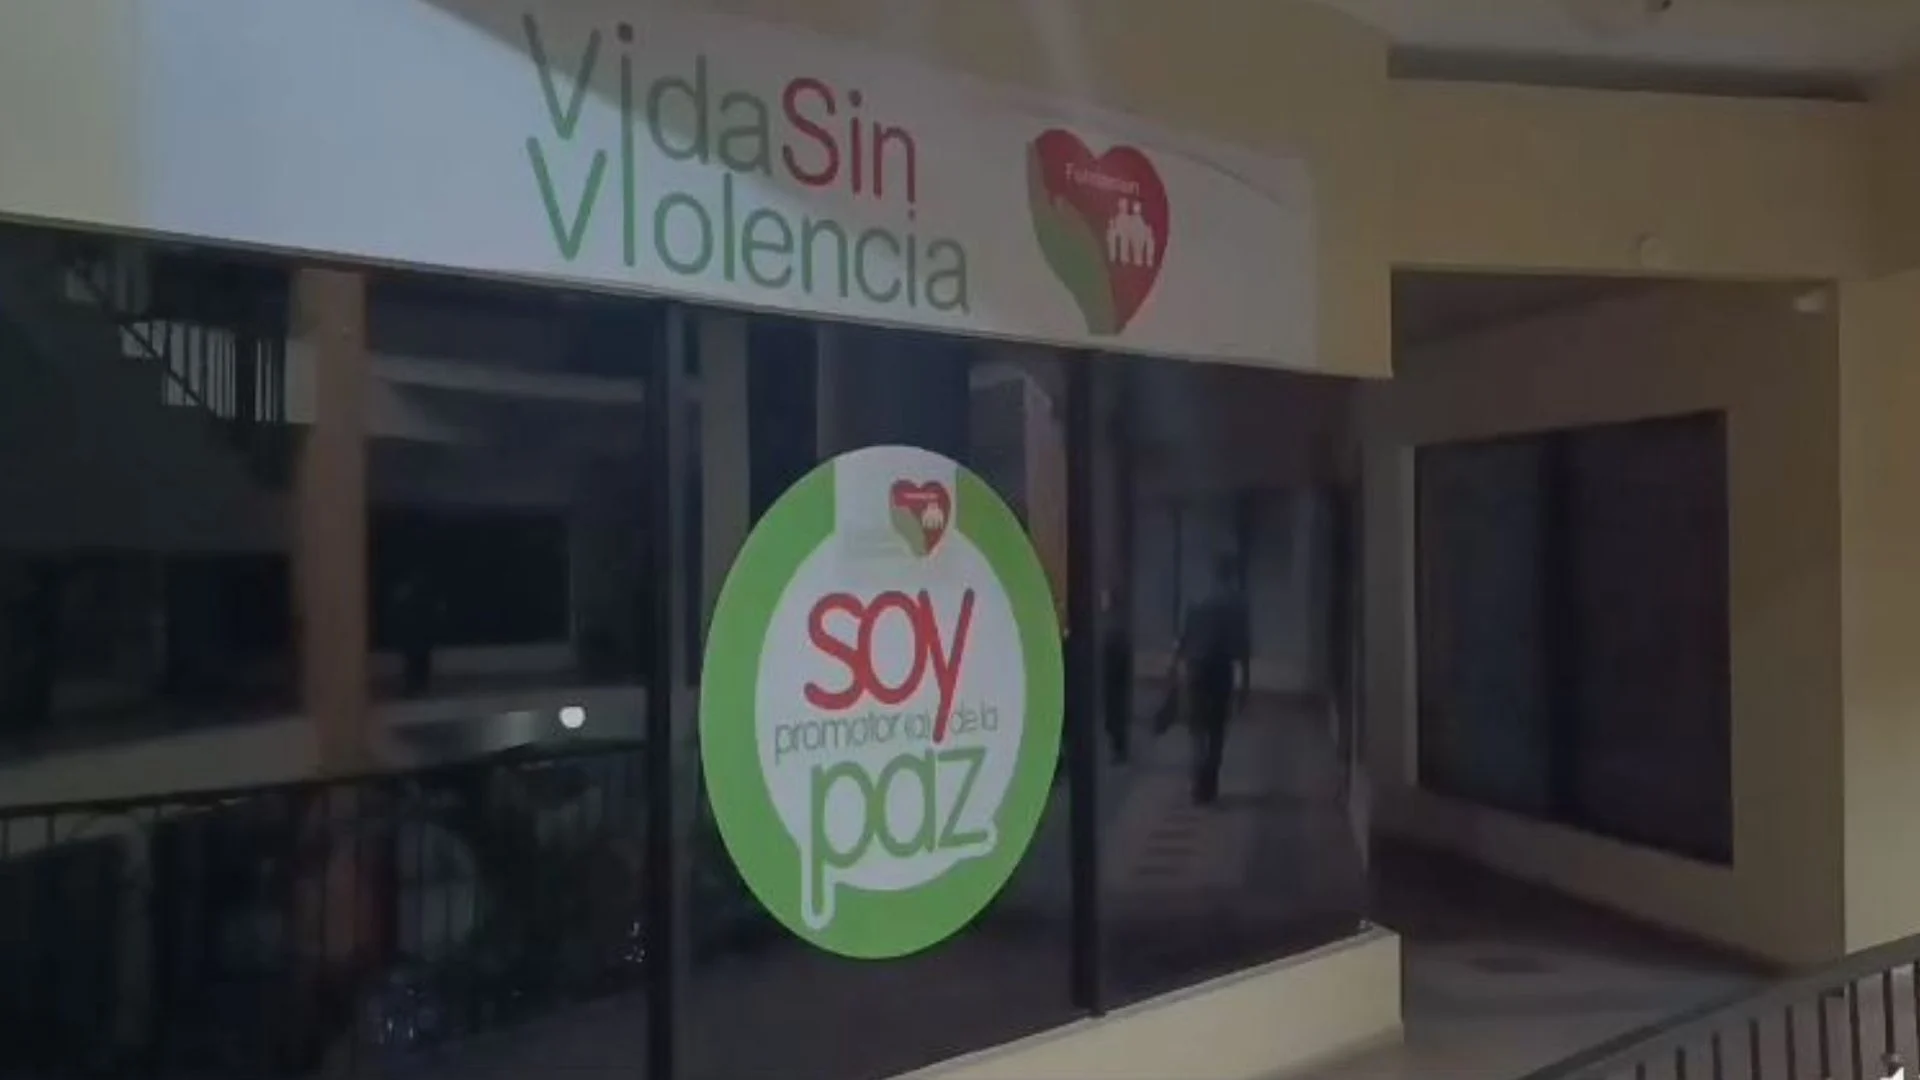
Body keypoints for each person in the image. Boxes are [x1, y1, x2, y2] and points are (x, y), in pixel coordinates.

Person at [1174, 555, 1250, 805]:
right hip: (1221, 670)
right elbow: (1243, 647)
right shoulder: (1237, 604)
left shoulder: (1198, 600)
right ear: (1231, 574)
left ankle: (1198, 780)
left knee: (1197, 729)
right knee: (1217, 729)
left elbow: (1184, 639)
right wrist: (1245, 685)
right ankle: (1210, 782)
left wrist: (1175, 668)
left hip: (1197, 669)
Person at [1100, 589, 1134, 764]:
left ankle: (1119, 749)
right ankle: (1119, 749)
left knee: (1115, 714)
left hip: (1114, 671)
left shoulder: (1115, 624)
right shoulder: (1118, 623)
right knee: (1115, 714)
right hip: (1114, 672)